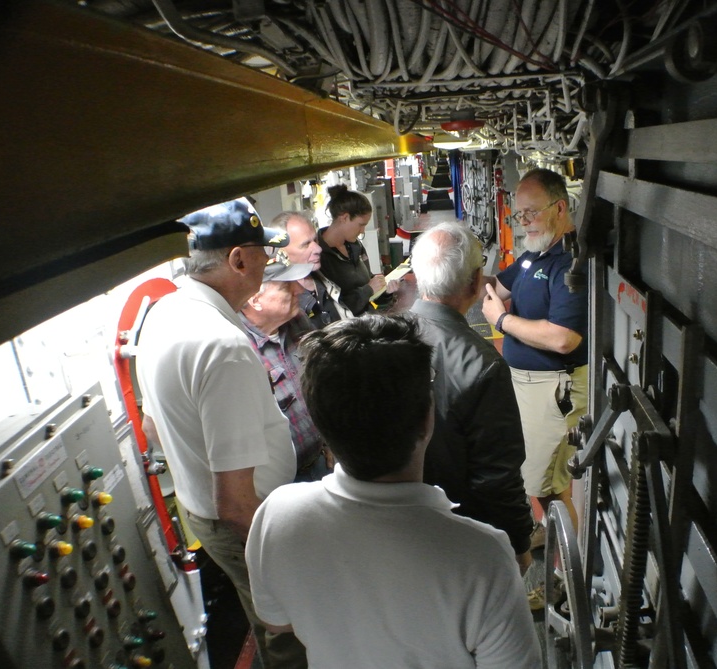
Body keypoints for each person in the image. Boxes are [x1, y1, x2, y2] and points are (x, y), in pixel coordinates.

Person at [245, 315, 543, 669]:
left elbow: (277, 621)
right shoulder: (483, 555)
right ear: (427, 419)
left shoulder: (275, 515)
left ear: (319, 421)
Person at [135, 197, 306, 668]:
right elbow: (235, 501)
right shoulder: (223, 345)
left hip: (204, 514)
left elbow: (151, 427)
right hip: (242, 519)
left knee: (263, 616)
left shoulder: (164, 314)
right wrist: (286, 558)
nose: (269, 264)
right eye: (263, 254)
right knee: (289, 631)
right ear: (237, 259)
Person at [409, 223, 533, 576]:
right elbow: (496, 474)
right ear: (477, 282)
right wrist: (519, 542)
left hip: (396, 525)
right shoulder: (483, 364)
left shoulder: (383, 337)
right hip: (461, 534)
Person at [481, 168, 588, 547]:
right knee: (538, 477)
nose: (523, 222)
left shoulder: (568, 263)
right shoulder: (534, 256)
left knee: (548, 487)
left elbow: (563, 339)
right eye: (518, 215)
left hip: (552, 390)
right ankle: (551, 536)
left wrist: (503, 321)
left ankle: (568, 580)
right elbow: (496, 284)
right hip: (524, 385)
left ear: (560, 208)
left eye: (530, 213)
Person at [239, 253, 331, 482]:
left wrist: (331, 440)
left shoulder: (296, 320)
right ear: (255, 299)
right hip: (283, 480)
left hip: (322, 457)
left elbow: (322, 381)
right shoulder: (240, 349)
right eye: (286, 287)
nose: (299, 290)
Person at [318, 184, 399, 316]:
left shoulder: (355, 246)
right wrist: (368, 290)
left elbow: (369, 284)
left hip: (368, 318)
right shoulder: (320, 257)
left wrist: (385, 291)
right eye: (360, 225)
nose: (362, 231)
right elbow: (333, 307)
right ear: (344, 218)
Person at [271, 210, 347, 327]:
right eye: (306, 244)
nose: (318, 249)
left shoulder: (327, 276)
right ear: (281, 251)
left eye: (315, 240)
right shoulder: (279, 301)